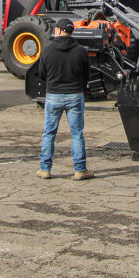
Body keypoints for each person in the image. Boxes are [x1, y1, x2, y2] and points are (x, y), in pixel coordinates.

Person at [37, 18, 94, 181]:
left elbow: (42, 73)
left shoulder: (47, 50)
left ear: (59, 31)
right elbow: (86, 75)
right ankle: (80, 169)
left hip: (53, 94)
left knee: (49, 133)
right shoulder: (81, 51)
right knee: (77, 134)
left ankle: (45, 169)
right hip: (74, 94)